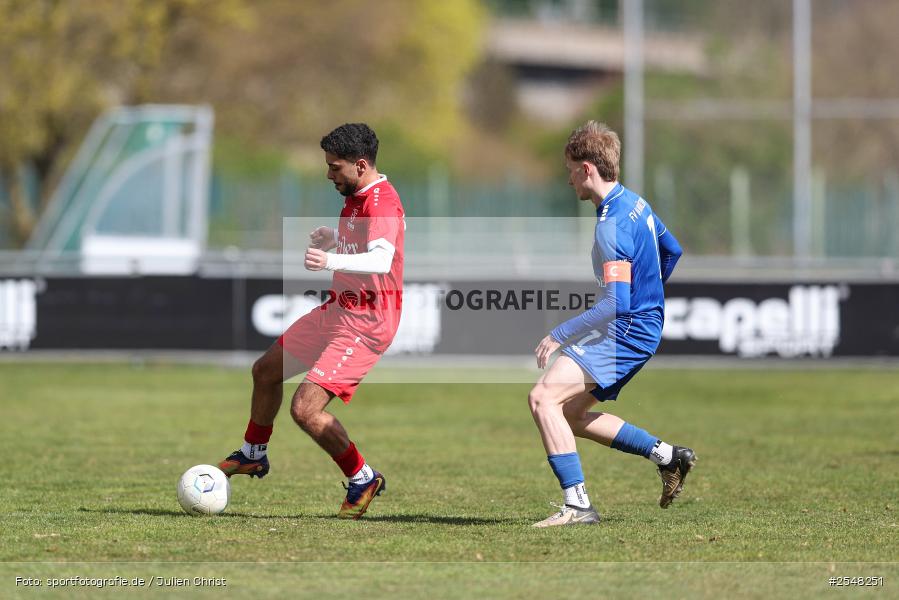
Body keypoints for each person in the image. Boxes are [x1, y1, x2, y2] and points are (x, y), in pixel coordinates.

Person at [218, 123, 405, 520]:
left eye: (334, 168)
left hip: (366, 322)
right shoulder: (356, 197)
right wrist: (335, 240)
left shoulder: (382, 202)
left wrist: (330, 259)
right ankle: (253, 454)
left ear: (359, 165)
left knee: (305, 409)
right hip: (338, 310)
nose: (328, 175)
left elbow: (382, 258)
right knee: (266, 371)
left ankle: (363, 477)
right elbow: (366, 245)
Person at [529, 120, 693, 527]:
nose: (568, 180)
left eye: (570, 170)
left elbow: (617, 303)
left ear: (587, 169)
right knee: (571, 414)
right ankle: (668, 457)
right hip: (641, 327)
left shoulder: (610, 227)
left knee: (543, 399)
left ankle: (578, 505)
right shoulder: (636, 203)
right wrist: (650, 295)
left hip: (628, 331)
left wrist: (558, 333)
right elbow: (672, 251)